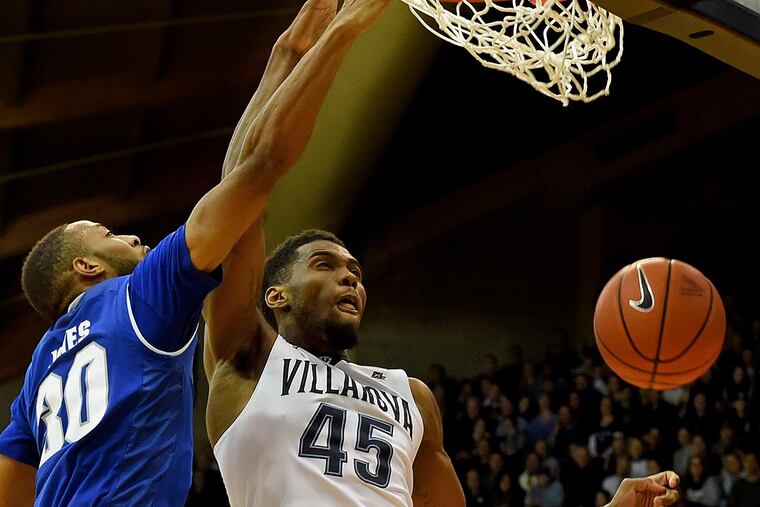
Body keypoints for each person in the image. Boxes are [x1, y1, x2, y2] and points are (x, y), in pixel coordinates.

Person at [199, 1, 685, 506]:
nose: (351, 279)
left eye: (356, 271)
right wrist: (294, 51)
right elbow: (240, 192)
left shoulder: (410, 396)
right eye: (325, 265)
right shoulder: (248, 358)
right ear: (275, 295)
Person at [0, 1, 339, 505]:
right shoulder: (139, 296)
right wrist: (344, 30)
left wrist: (287, 50)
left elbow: (10, 483)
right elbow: (260, 165)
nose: (135, 238)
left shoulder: (39, 370)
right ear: (87, 267)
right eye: (110, 234)